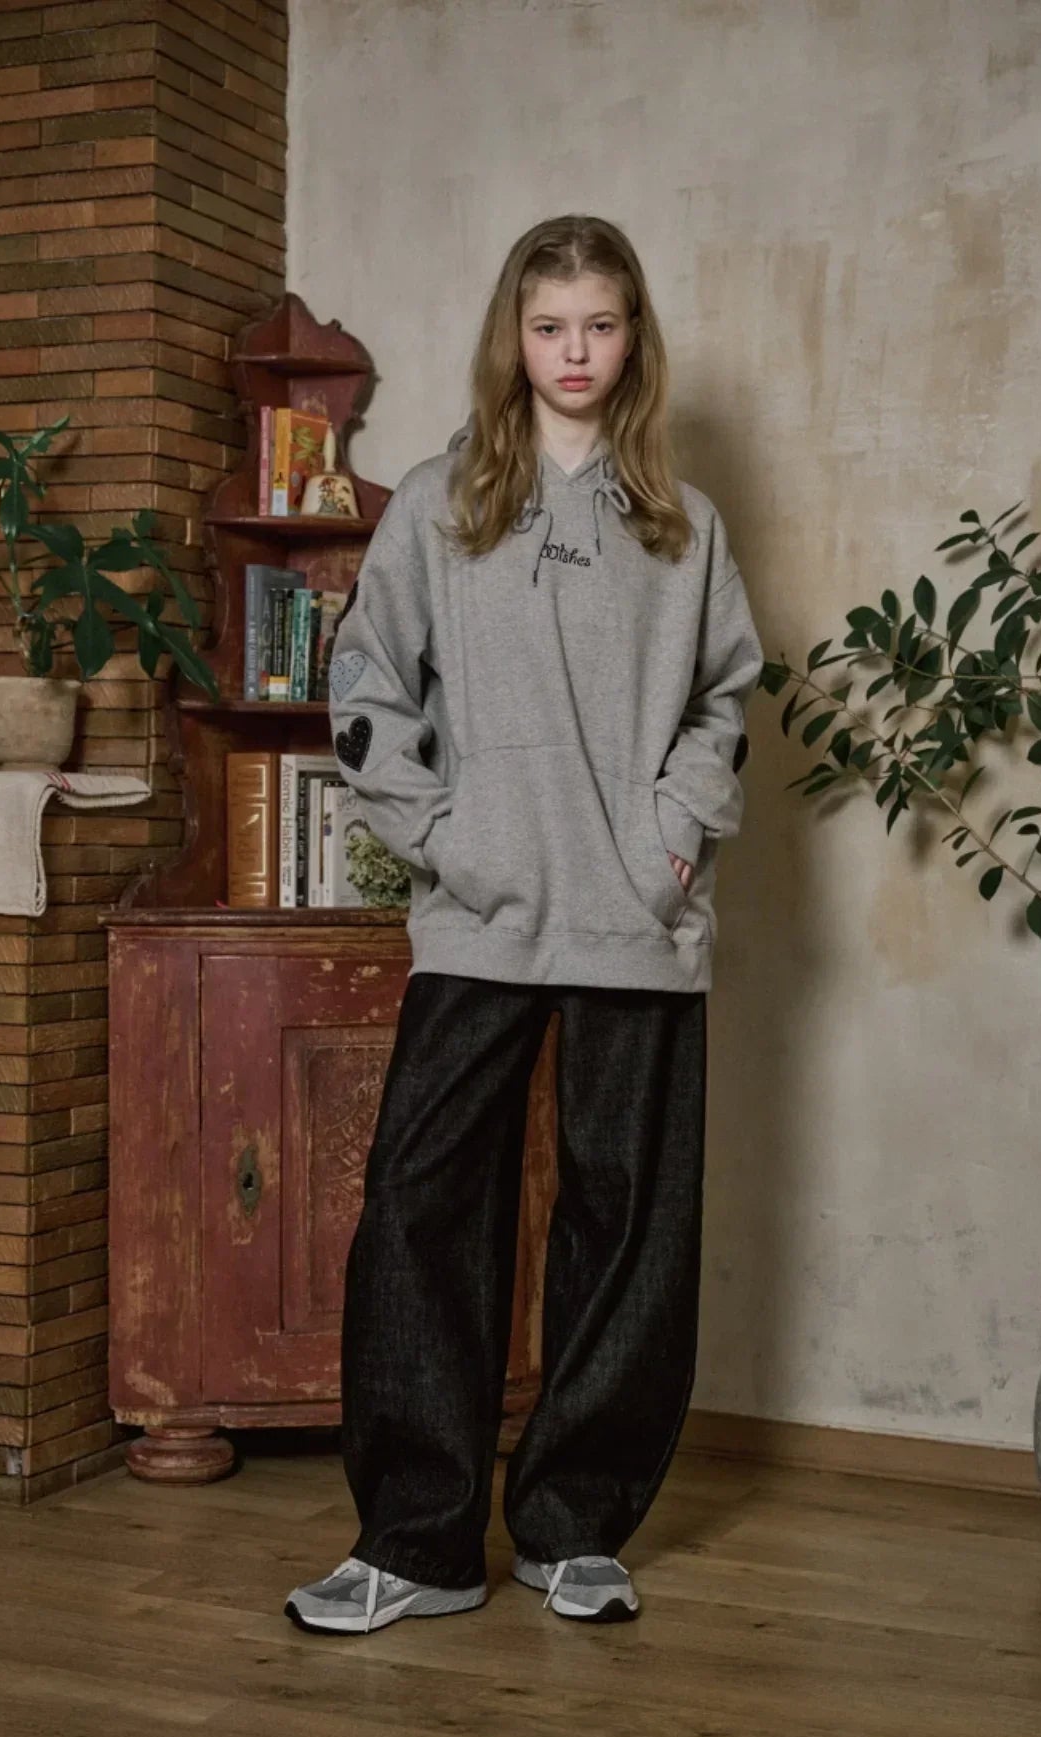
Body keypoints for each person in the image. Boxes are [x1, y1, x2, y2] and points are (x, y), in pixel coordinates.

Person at [284, 214, 764, 1635]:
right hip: (483, 910)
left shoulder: (683, 521)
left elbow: (725, 700)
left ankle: (571, 1523)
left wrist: (674, 839)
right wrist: (441, 833)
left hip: (637, 914)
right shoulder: (441, 504)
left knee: (627, 1221)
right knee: (425, 1211)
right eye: (550, 326)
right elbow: (366, 682)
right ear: (515, 335)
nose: (574, 352)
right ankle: (421, 1542)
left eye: (601, 325)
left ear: (633, 340)